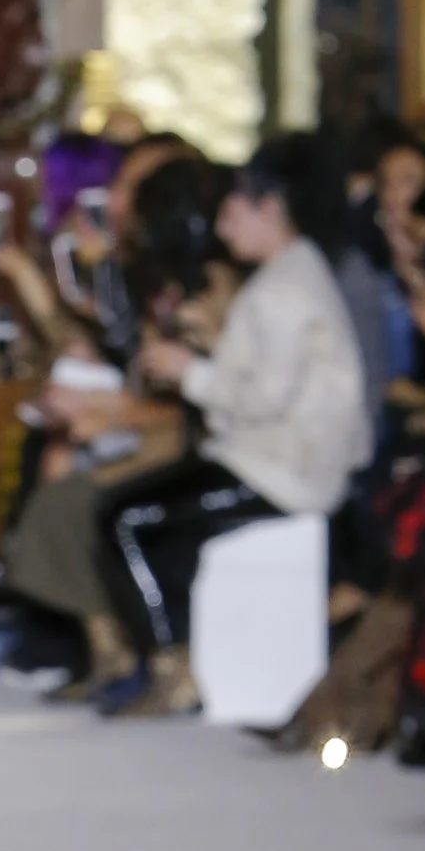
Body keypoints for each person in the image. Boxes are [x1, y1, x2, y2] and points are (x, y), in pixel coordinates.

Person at [96, 132, 372, 713]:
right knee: (141, 512)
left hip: (281, 470)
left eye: (233, 210)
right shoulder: (290, 275)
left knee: (126, 518)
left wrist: (189, 369)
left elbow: (262, 399)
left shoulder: (285, 289)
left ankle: (172, 666)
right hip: (269, 458)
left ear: (271, 209)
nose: (222, 227)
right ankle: (174, 657)